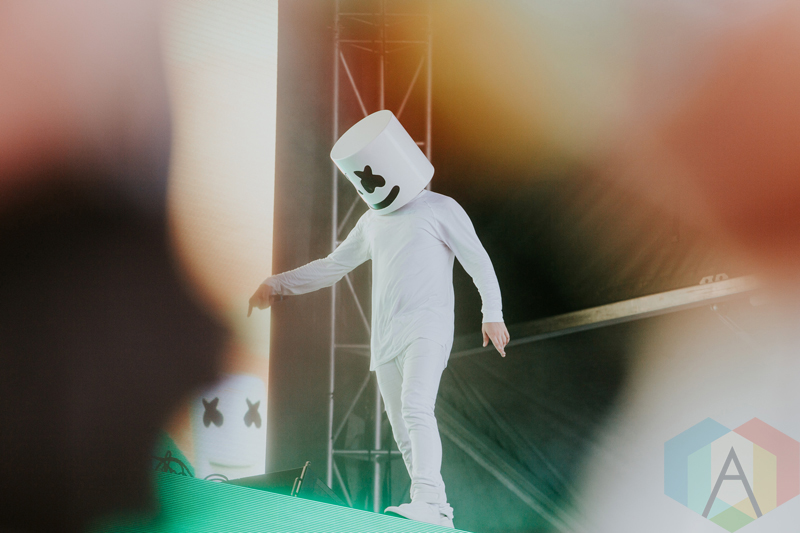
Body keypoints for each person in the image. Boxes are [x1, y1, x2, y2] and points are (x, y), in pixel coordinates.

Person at [248, 110, 509, 528]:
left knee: (415, 406)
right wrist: (277, 284)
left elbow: (477, 259)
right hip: (385, 337)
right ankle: (437, 507)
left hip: (427, 327)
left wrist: (492, 312)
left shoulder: (439, 207)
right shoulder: (371, 221)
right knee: (402, 426)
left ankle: (428, 500)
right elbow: (332, 265)